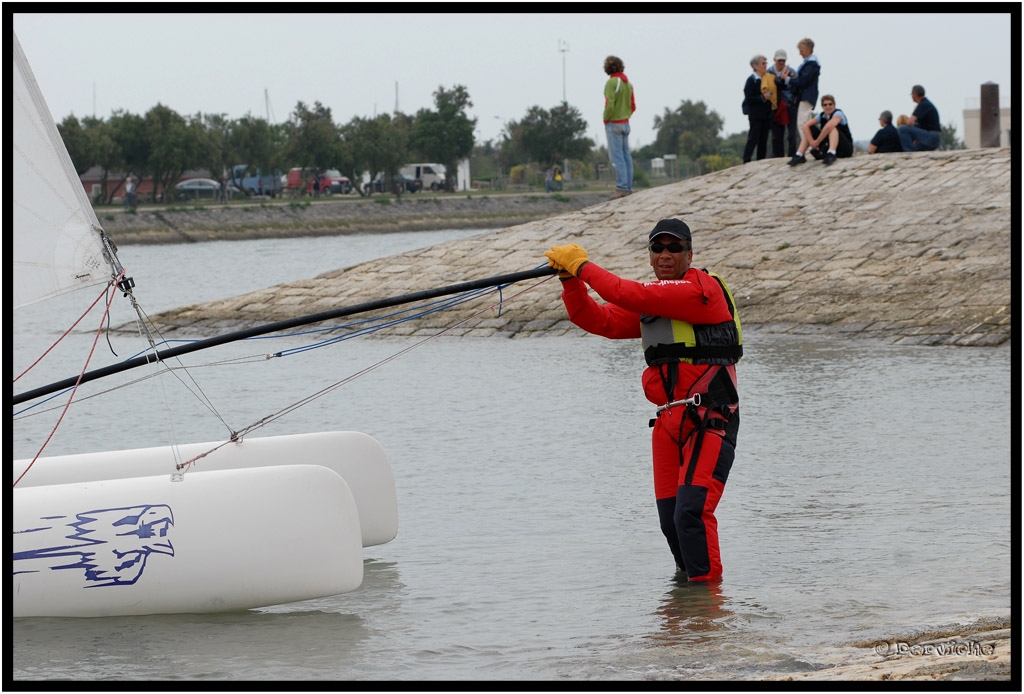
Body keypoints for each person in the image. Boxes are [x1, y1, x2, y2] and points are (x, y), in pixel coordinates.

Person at [544, 218, 742, 582]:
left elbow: (626, 293)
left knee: (691, 514)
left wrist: (582, 266)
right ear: (650, 255)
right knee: (671, 521)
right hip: (668, 424)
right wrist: (570, 281)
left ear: (690, 254)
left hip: (709, 419)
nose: (665, 254)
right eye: (658, 248)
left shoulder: (702, 289)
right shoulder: (655, 302)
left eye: (674, 247)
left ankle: (708, 610)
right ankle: (688, 609)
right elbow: (598, 320)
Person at [602, 55, 636, 199]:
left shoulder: (612, 82)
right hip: (625, 122)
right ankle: (627, 186)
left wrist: (606, 118)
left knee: (617, 157)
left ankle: (621, 188)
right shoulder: (628, 84)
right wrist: (626, 116)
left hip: (614, 123)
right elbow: (633, 104)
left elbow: (609, 103)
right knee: (626, 155)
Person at [787, 94, 853, 166]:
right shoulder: (821, 115)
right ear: (822, 106)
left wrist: (817, 141)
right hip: (826, 145)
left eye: (830, 104)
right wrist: (812, 142)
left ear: (834, 105)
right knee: (810, 129)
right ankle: (799, 155)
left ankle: (832, 153)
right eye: (825, 105)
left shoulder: (838, 114)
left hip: (844, 147)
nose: (828, 106)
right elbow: (805, 127)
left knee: (832, 128)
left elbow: (829, 126)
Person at [767, 49, 799, 158]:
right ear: (774, 59)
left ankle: (792, 154)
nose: (781, 62)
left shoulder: (792, 71)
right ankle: (777, 156)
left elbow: (796, 87)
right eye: (779, 60)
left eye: (783, 60)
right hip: (776, 106)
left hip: (789, 104)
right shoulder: (769, 72)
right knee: (776, 134)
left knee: (792, 133)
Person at [742, 54, 772, 164]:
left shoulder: (767, 78)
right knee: (754, 137)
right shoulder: (751, 80)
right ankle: (746, 159)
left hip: (766, 114)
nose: (765, 65)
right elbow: (749, 98)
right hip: (755, 114)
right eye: (763, 63)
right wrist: (762, 97)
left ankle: (761, 160)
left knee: (763, 138)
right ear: (755, 66)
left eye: (766, 63)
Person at [788, 38, 821, 130]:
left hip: (807, 96)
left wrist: (788, 79)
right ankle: (810, 143)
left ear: (808, 49)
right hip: (808, 95)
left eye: (801, 50)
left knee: (802, 123)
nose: (800, 53)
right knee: (807, 122)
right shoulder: (811, 63)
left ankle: (808, 144)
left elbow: (803, 81)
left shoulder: (811, 64)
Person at [898, 85, 942, 152]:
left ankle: (909, 152)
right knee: (916, 150)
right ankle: (912, 151)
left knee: (902, 129)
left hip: (931, 137)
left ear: (914, 94)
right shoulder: (926, 104)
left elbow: (909, 122)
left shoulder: (923, 104)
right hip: (934, 138)